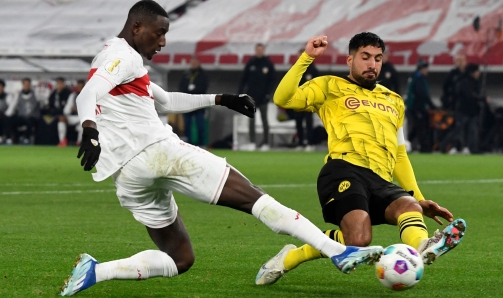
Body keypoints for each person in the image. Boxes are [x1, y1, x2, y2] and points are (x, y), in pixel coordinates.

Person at [59, 2, 383, 296]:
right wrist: (90, 130)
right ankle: (338, 252)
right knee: (254, 198)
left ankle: (95, 271)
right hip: (158, 153)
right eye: (159, 34)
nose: (162, 42)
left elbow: (167, 100)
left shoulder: (117, 58)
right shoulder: (123, 56)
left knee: (180, 258)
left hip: (128, 175)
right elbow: (86, 95)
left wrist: (222, 99)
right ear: (136, 28)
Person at [255, 33, 466, 286]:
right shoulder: (329, 86)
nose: (372, 64)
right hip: (343, 169)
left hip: (379, 177)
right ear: (350, 60)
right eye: (365, 58)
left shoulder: (394, 100)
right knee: (358, 241)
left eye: (377, 59)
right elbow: (283, 99)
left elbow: (399, 153)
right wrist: (307, 57)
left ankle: (424, 246)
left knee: (408, 206)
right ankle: (291, 257)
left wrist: (420, 199)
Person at [439, 63, 486, 154]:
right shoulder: (464, 82)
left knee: (472, 131)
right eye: (477, 71)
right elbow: (468, 95)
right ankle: (444, 146)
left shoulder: (471, 82)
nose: (479, 73)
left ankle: (474, 149)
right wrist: (481, 98)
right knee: (458, 131)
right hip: (463, 111)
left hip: (471, 111)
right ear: (472, 72)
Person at [238, 43, 276, 151]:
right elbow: (243, 79)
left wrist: (268, 94)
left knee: (264, 120)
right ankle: (252, 142)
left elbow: (273, 80)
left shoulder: (268, 64)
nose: (259, 51)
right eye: (257, 49)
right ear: (255, 50)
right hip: (251, 97)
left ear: (263, 50)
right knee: (251, 120)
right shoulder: (251, 63)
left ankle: (266, 143)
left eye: (261, 49)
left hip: (263, 98)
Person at [405, 58, 437, 152]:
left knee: (415, 128)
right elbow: (422, 95)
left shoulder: (414, 77)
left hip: (412, 107)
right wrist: (432, 106)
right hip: (417, 108)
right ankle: (424, 148)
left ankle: (408, 144)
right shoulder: (419, 79)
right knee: (421, 128)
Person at [292, 48, 319, 151]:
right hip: (298, 101)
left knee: (309, 122)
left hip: (309, 101)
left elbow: (317, 85)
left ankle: (310, 143)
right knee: (298, 122)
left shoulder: (313, 69)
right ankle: (300, 143)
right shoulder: (295, 69)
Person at [179, 56, 208, 147]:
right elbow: (181, 87)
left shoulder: (203, 74)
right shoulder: (186, 74)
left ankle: (201, 144)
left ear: (198, 62)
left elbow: (204, 88)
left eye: (195, 62)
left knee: (200, 125)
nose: (193, 64)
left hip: (199, 103)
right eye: (192, 62)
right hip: (187, 103)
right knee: (187, 125)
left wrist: (193, 90)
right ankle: (188, 145)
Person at [5, 78, 40, 145]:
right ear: (23, 85)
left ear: (30, 85)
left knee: (30, 121)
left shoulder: (35, 94)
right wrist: (6, 116)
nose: (26, 85)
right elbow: (12, 106)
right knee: (11, 120)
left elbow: (43, 102)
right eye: (25, 84)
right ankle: (10, 138)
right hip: (22, 116)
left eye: (28, 84)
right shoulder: (18, 95)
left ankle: (27, 139)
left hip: (32, 117)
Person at [44, 77, 72, 146]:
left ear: (64, 84)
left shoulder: (68, 93)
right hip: (54, 114)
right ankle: (47, 142)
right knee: (44, 121)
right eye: (58, 83)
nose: (59, 85)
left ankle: (62, 141)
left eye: (61, 83)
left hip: (66, 115)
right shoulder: (53, 93)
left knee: (60, 119)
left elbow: (67, 107)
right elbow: (50, 105)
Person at [63, 79, 86, 146]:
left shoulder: (87, 96)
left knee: (83, 123)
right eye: (78, 87)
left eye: (81, 87)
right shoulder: (72, 95)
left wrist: (77, 110)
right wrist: (70, 110)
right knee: (62, 119)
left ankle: (78, 142)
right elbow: (67, 109)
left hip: (82, 117)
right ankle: (62, 141)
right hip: (73, 117)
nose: (79, 89)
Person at [0, 79, 11, 144]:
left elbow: (11, 108)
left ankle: (7, 138)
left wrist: (6, 114)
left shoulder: (7, 96)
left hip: (5, 116)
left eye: (1, 87)